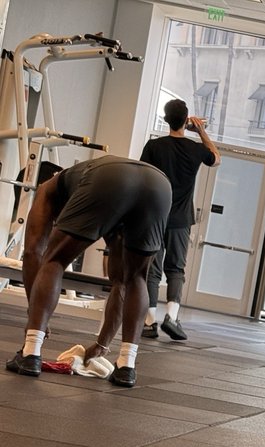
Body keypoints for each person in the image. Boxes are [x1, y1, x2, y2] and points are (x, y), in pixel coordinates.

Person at [6, 155, 171, 387]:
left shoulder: (46, 189)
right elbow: (120, 282)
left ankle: (30, 354)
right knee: (135, 277)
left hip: (111, 177)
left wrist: (35, 323)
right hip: (160, 186)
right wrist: (102, 344)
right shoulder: (101, 199)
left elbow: (34, 253)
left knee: (54, 259)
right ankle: (126, 366)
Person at [140, 98, 220, 341]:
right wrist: (201, 131)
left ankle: (150, 322)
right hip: (181, 220)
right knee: (176, 269)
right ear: (186, 121)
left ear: (166, 120)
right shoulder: (195, 149)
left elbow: (142, 177)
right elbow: (216, 158)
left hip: (155, 217)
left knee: (152, 270)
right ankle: (172, 318)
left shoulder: (154, 146)